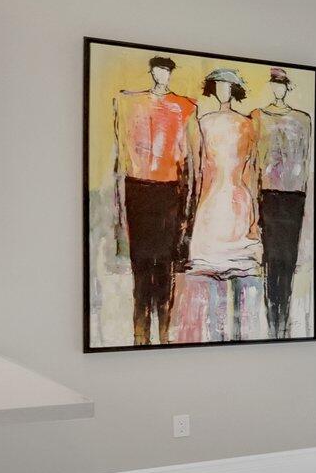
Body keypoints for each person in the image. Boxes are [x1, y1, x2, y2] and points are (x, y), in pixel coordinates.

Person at [111, 55, 196, 344]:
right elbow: (120, 155)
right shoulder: (129, 102)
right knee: (141, 263)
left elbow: (189, 162)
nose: (162, 74)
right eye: (158, 69)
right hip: (138, 187)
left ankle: (164, 331)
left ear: (170, 74)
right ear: (151, 72)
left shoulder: (184, 107)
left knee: (165, 266)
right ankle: (140, 333)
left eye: (167, 70)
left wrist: (187, 209)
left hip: (168, 190)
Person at [186, 69, 263, 284]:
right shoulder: (204, 122)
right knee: (208, 267)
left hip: (237, 193)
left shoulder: (246, 124)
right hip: (212, 194)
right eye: (219, 86)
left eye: (227, 87)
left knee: (239, 265)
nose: (223, 91)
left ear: (234, 90)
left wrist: (254, 212)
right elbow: (200, 167)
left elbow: (251, 167)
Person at [253, 66, 313, 338]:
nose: (278, 89)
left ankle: (284, 317)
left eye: (282, 85)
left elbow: (306, 160)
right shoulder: (258, 116)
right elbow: (255, 160)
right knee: (270, 259)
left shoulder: (302, 120)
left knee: (287, 260)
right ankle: (272, 317)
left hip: (293, 196)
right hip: (268, 194)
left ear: (288, 88)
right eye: (274, 85)